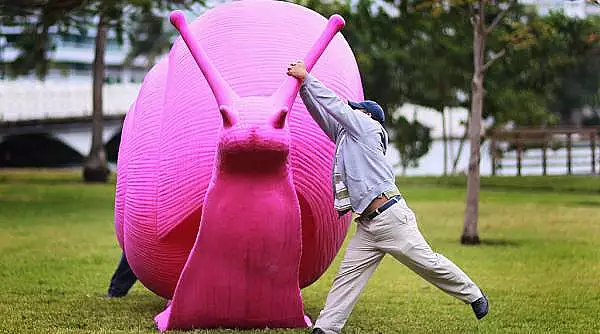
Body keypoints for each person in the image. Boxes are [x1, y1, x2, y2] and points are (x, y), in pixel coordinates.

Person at [286, 60, 488, 334]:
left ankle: (473, 294)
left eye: (355, 111)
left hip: (391, 218)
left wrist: (308, 78)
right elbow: (323, 115)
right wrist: (302, 89)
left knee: (429, 264)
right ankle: (325, 329)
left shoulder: (369, 131)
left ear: (366, 116)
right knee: (347, 280)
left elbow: (336, 107)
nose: (349, 115)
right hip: (368, 226)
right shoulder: (348, 137)